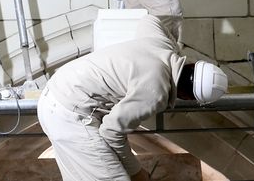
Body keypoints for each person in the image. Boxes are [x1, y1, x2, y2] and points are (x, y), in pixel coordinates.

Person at [37, 14, 227, 181]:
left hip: (55, 96)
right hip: (69, 115)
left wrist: (174, 50)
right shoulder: (156, 91)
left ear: (192, 65)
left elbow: (150, 19)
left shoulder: (160, 43)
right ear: (188, 97)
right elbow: (111, 132)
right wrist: (137, 173)